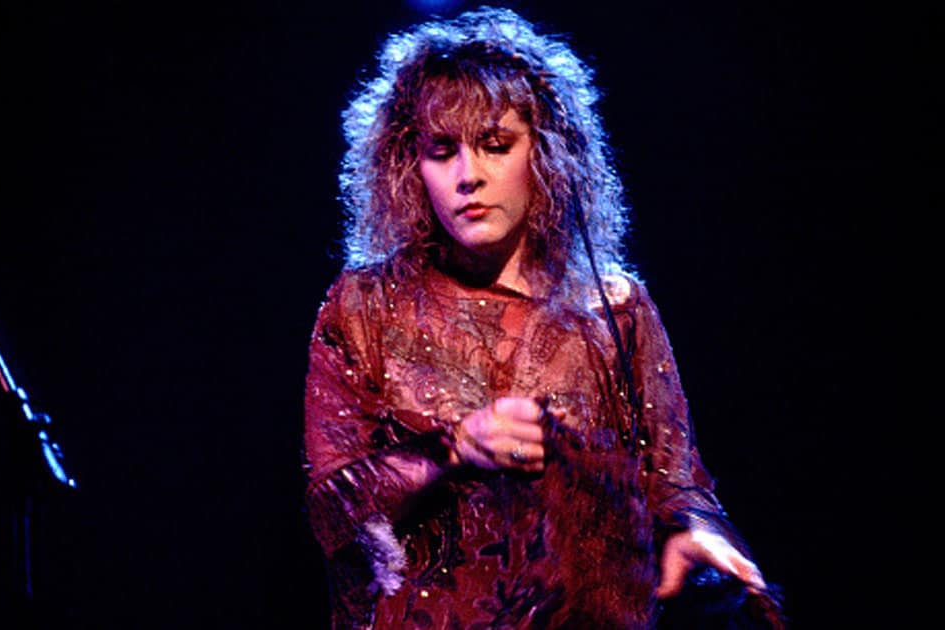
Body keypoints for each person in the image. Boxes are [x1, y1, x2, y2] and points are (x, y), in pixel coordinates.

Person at [301, 6, 785, 629]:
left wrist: (698, 529)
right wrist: (454, 447)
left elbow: (673, 479)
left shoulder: (613, 308)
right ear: (408, 164)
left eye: (495, 146)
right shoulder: (365, 305)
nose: (468, 175)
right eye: (441, 151)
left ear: (547, 153)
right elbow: (331, 512)